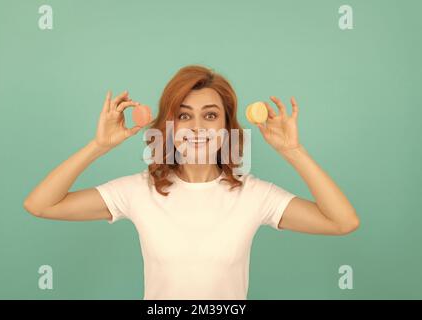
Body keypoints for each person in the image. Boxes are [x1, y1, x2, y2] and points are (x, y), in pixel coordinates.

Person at [23, 65, 360, 300]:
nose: (197, 127)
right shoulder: (138, 191)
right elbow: (41, 205)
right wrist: (98, 146)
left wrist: (294, 150)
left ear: (227, 128)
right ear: (169, 126)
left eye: (210, 115)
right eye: (184, 115)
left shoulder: (253, 194)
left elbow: (343, 222)